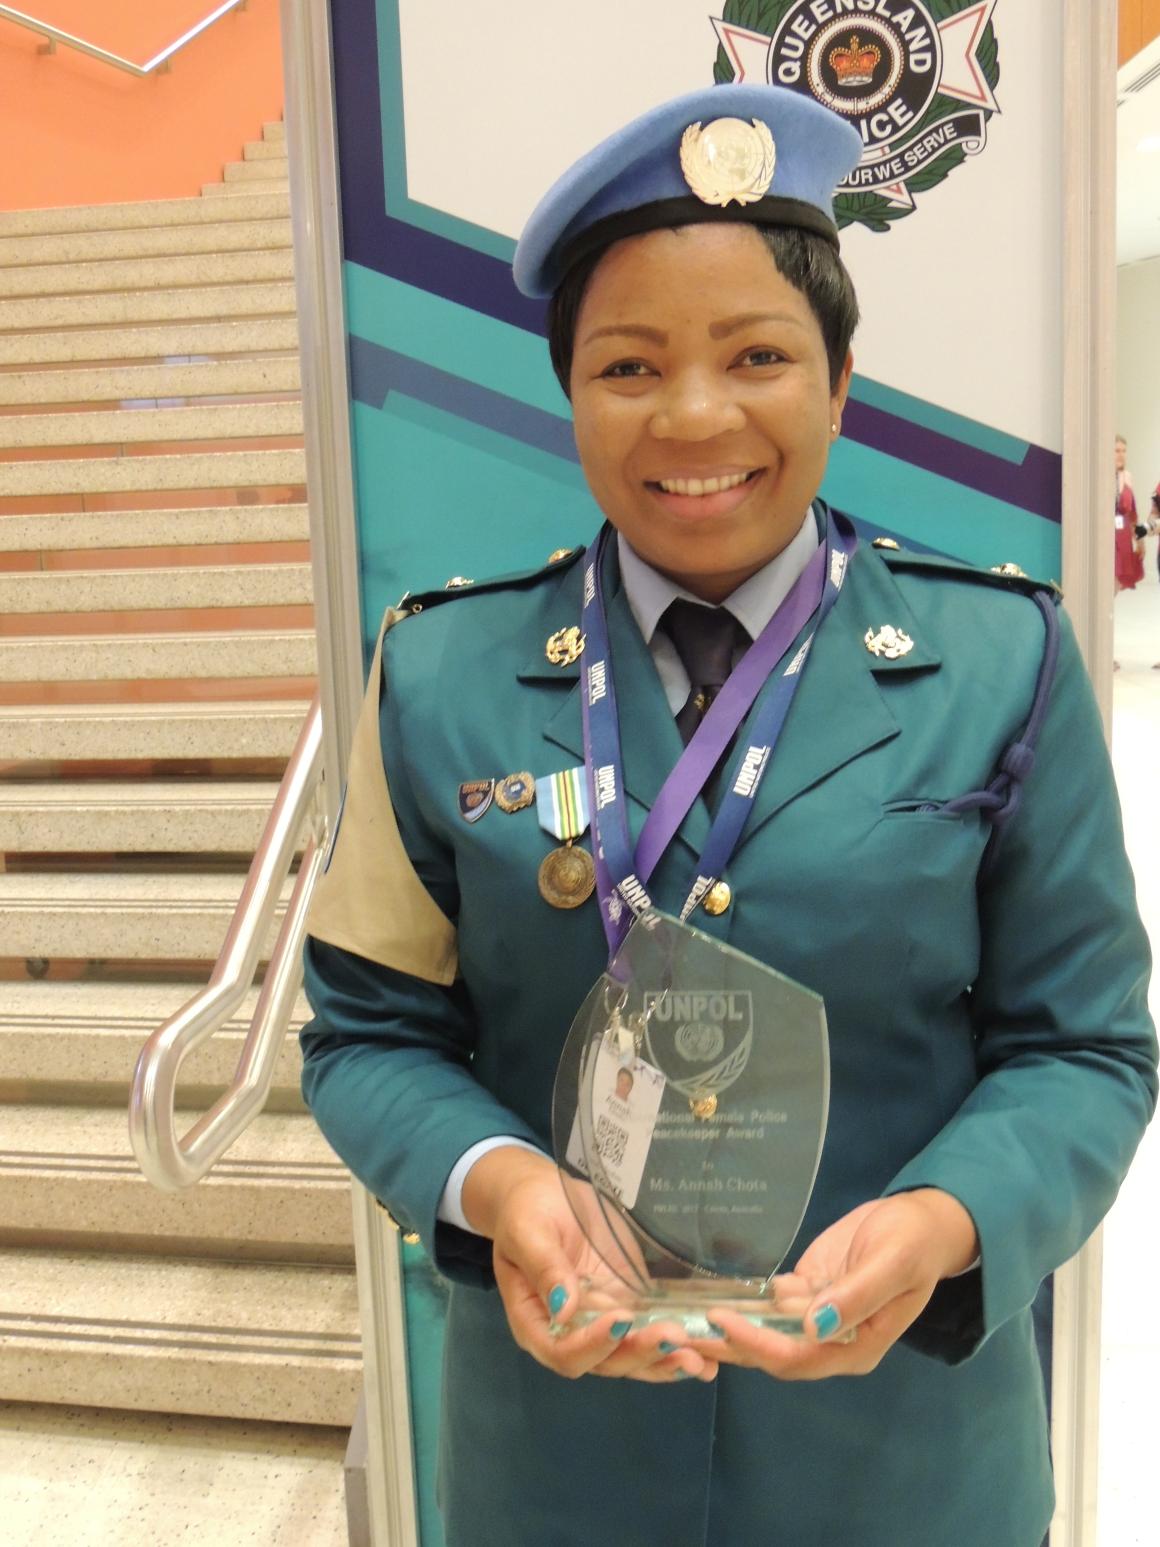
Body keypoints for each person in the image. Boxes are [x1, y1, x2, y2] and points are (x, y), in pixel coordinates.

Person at [299, 84, 1157, 1547]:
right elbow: (366, 1029)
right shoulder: (437, 671)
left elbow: (1085, 1043)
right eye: (630, 364)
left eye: (757, 354)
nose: (696, 416)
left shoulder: (1001, 659)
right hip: (561, 1448)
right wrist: (497, 1185)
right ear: (568, 389)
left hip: (902, 1455)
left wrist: (947, 1220)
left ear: (840, 381)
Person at [1114, 433, 1144, 594]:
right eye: (1117, 450)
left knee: (1117, 583)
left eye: (1124, 451)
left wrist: (1139, 540)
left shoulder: (1127, 476)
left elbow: (1133, 512)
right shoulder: (1102, 476)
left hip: (1123, 534)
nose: (1121, 455)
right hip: (1107, 534)